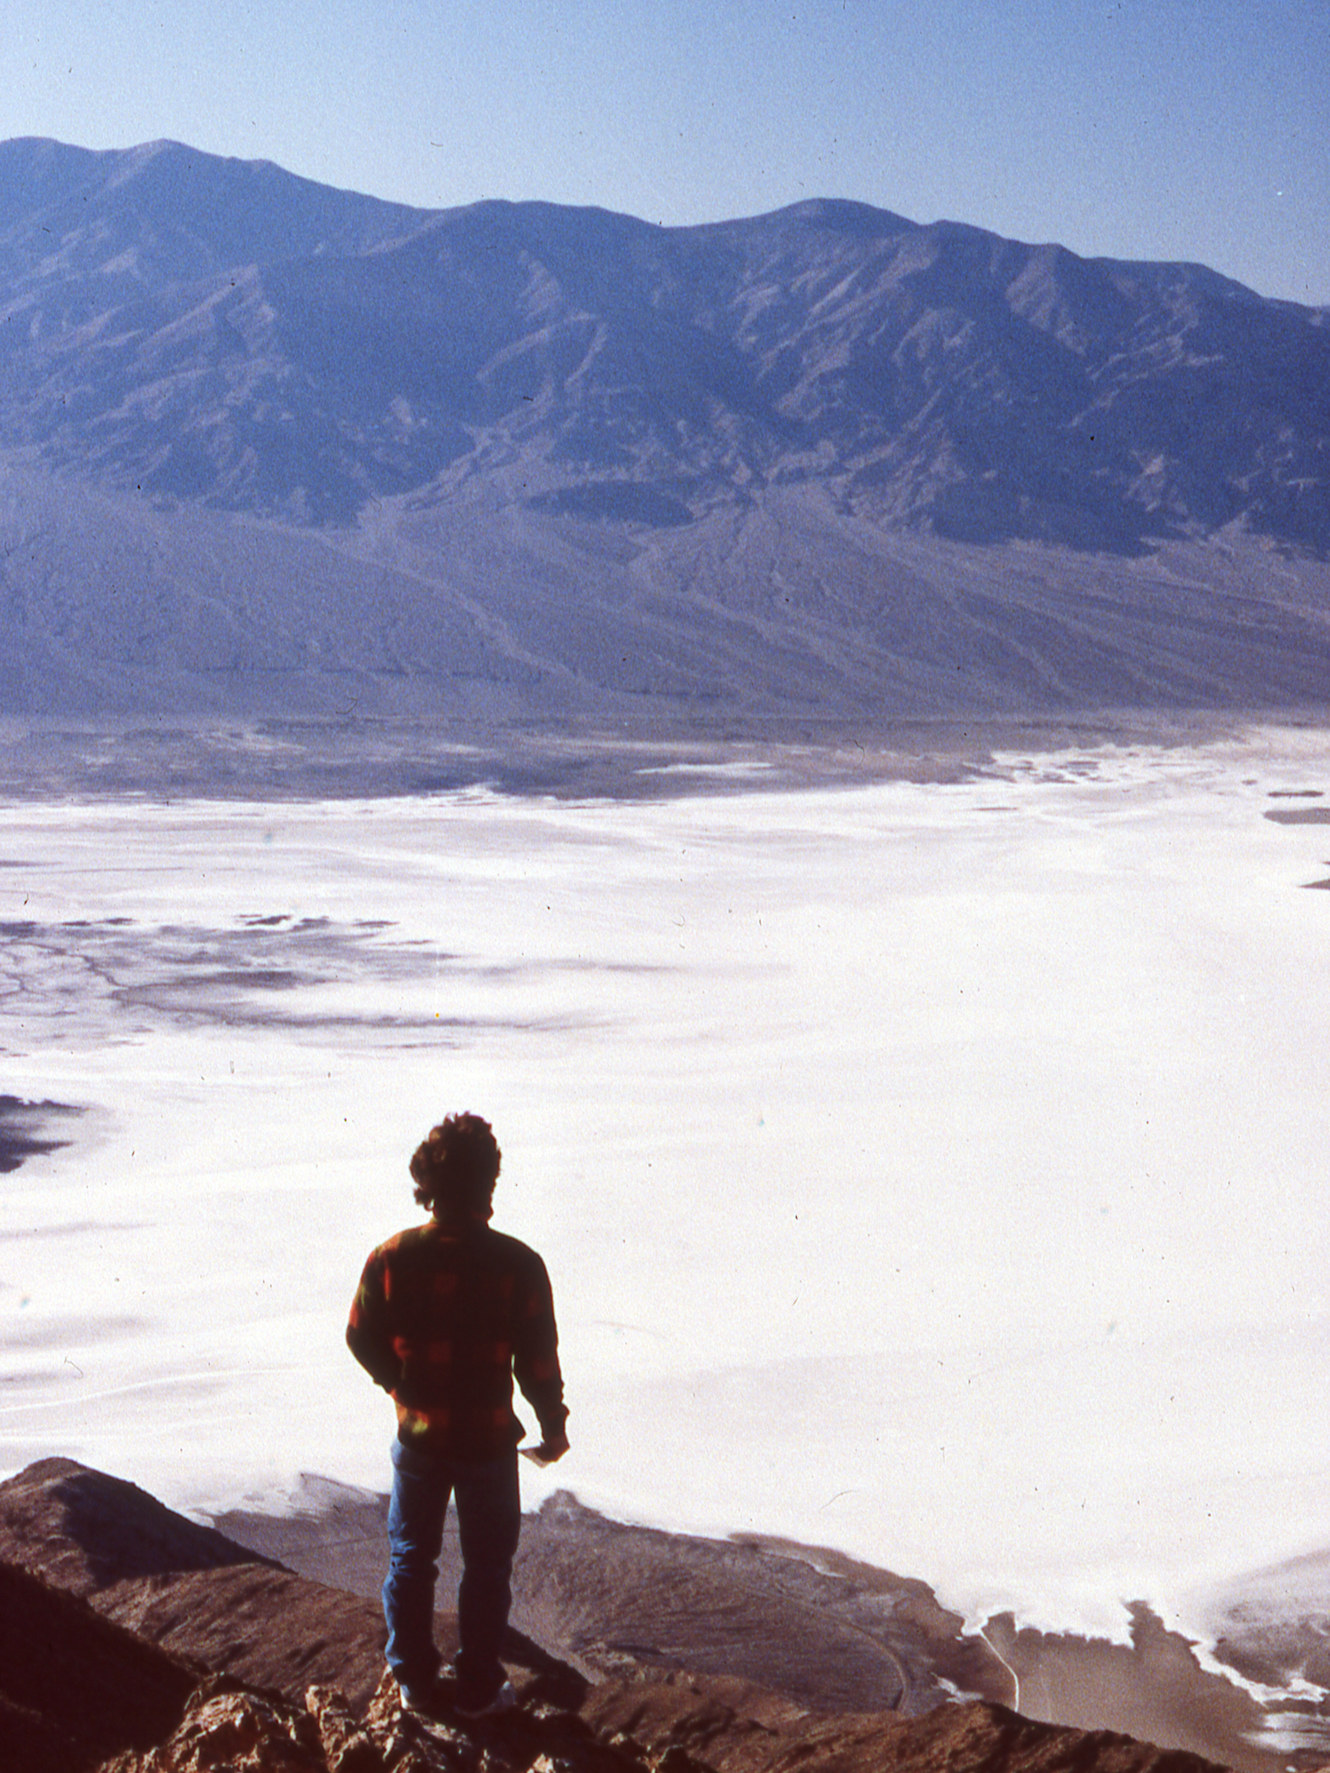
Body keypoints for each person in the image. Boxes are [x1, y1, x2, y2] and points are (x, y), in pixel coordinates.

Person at [347, 1112, 569, 1717]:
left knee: (411, 1558)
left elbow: (359, 1336)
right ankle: (476, 1686)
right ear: (488, 1182)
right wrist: (553, 1426)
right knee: (488, 1566)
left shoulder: (390, 1257)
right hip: (488, 1443)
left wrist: (401, 1386)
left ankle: (414, 1682)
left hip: (418, 1437)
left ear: (428, 1182)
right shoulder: (519, 1264)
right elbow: (538, 1361)